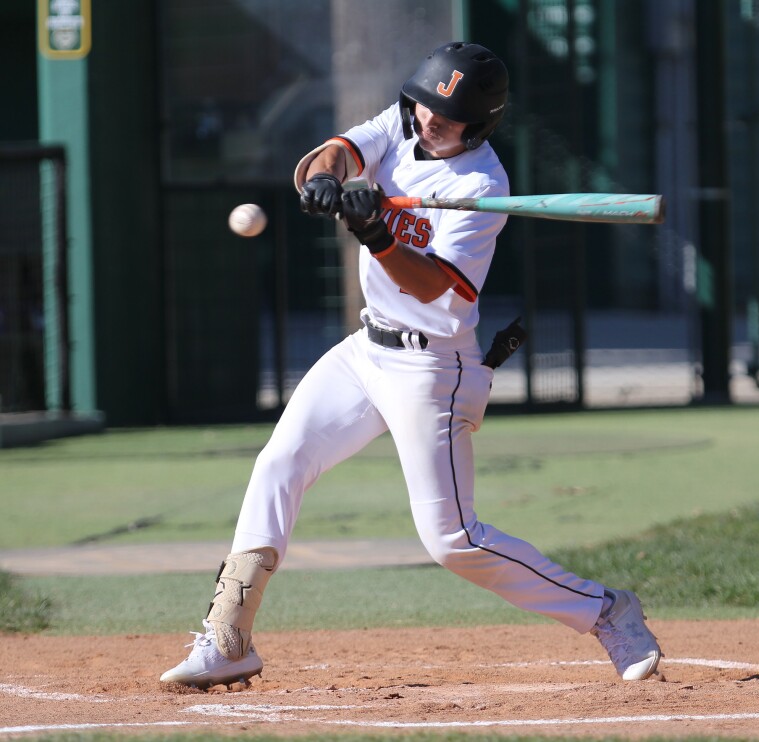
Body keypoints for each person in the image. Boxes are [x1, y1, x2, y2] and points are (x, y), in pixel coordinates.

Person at [160, 41, 662, 690]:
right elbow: (338, 151)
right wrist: (325, 179)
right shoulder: (401, 125)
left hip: (435, 370)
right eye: (425, 106)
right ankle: (228, 636)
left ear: (480, 124)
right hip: (366, 351)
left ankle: (606, 610)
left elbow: (436, 290)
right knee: (279, 463)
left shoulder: (482, 185)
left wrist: (377, 235)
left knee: (451, 539)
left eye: (448, 118)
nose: (430, 121)